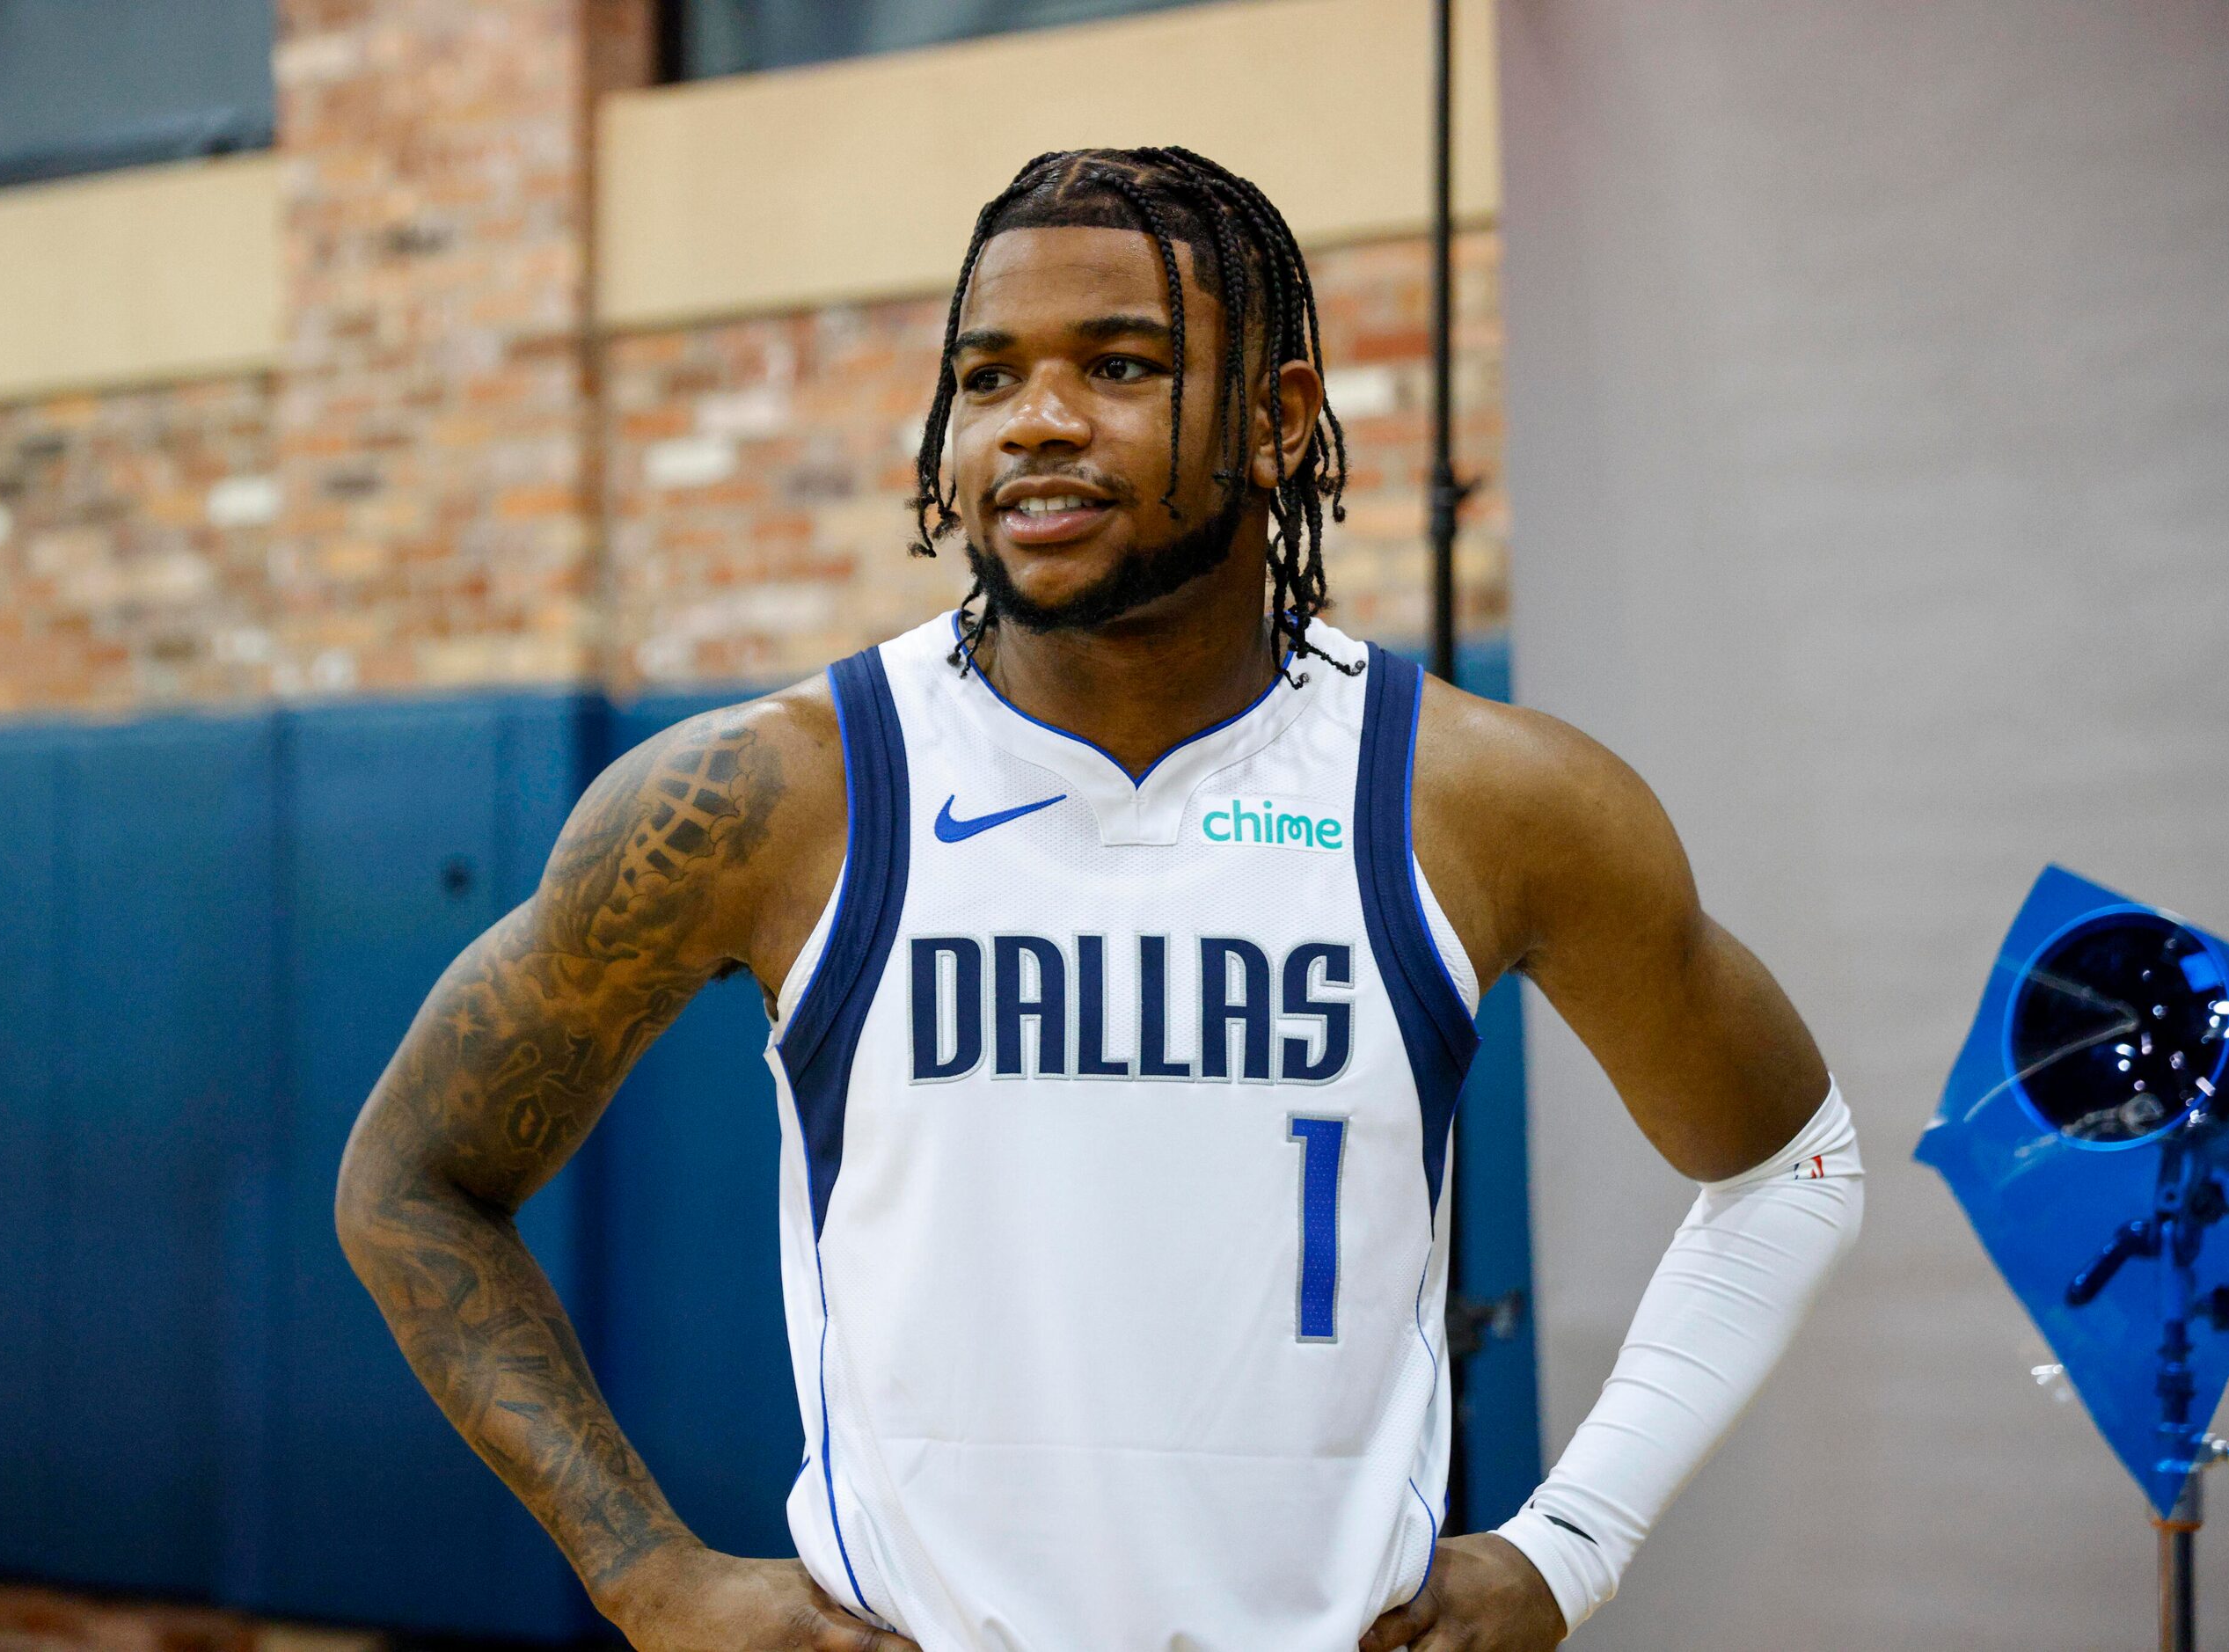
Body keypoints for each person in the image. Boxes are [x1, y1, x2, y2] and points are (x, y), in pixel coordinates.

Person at [335, 147, 1864, 1651]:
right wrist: (648, 1577)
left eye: (1121, 366)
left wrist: (1572, 1546)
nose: (1038, 423)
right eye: (988, 377)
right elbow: (413, 1179)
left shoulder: (1479, 800)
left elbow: (1793, 1168)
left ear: (1275, 423)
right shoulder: (774, 797)